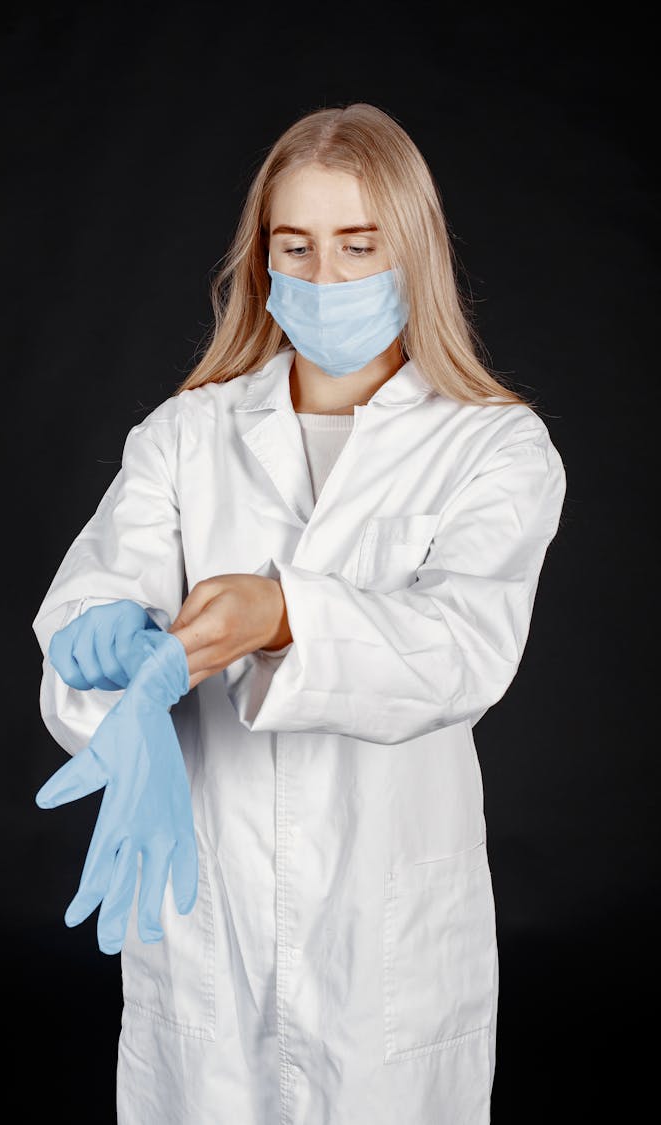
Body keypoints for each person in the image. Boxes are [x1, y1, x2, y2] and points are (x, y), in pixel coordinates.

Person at [32, 102, 567, 1125]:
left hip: (387, 938)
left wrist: (283, 617)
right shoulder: (186, 434)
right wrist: (110, 658)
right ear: (263, 259)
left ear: (413, 253)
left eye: (359, 247)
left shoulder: (495, 448)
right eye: (298, 247)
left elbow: (462, 650)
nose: (325, 280)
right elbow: (98, 591)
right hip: (210, 918)